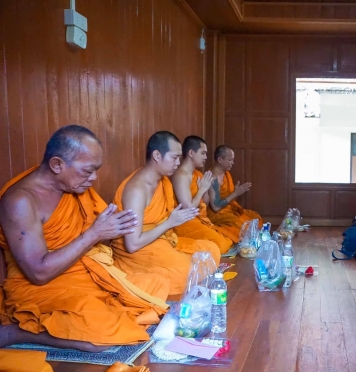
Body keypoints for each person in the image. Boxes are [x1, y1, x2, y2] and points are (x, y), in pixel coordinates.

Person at [0, 125, 169, 352]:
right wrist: (95, 234)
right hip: (42, 286)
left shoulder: (73, 187)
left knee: (156, 283)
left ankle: (97, 311)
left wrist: (113, 229)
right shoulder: (21, 201)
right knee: (104, 333)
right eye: (88, 171)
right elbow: (38, 273)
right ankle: (16, 331)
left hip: (81, 272)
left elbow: (96, 239)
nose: (94, 177)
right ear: (57, 165)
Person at [111, 131, 221, 296]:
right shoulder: (137, 189)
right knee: (188, 269)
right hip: (139, 250)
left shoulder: (162, 182)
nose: (178, 163)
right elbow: (132, 244)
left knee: (211, 250)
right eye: (174, 158)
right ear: (157, 155)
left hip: (161, 239)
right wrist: (169, 223)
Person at [170, 136, 234, 254]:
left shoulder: (198, 174)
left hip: (199, 219)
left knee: (227, 239)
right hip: (186, 222)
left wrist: (205, 190)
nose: (206, 157)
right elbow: (188, 209)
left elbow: (205, 202)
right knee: (221, 245)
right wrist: (201, 190)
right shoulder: (181, 175)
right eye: (203, 153)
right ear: (191, 153)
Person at [207, 145, 262, 242]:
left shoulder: (225, 173)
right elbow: (215, 207)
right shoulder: (213, 177)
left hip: (229, 209)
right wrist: (235, 193)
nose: (232, 163)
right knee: (243, 227)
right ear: (220, 159)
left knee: (255, 218)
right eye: (230, 160)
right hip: (218, 214)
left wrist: (234, 192)